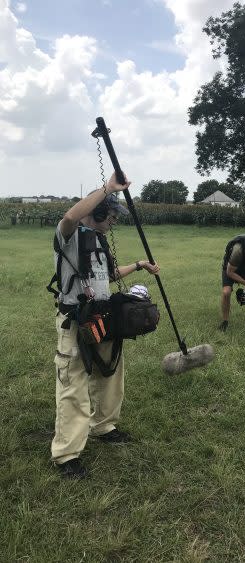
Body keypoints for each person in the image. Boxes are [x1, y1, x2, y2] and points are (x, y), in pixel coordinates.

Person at [51, 173, 160, 478]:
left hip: (103, 317)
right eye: (111, 213)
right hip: (75, 320)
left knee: (110, 370)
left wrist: (139, 265)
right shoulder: (68, 235)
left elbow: (110, 275)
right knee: (73, 384)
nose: (114, 219)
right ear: (97, 211)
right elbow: (70, 215)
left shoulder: (98, 241)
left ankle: (103, 425)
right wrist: (108, 189)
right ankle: (67, 454)